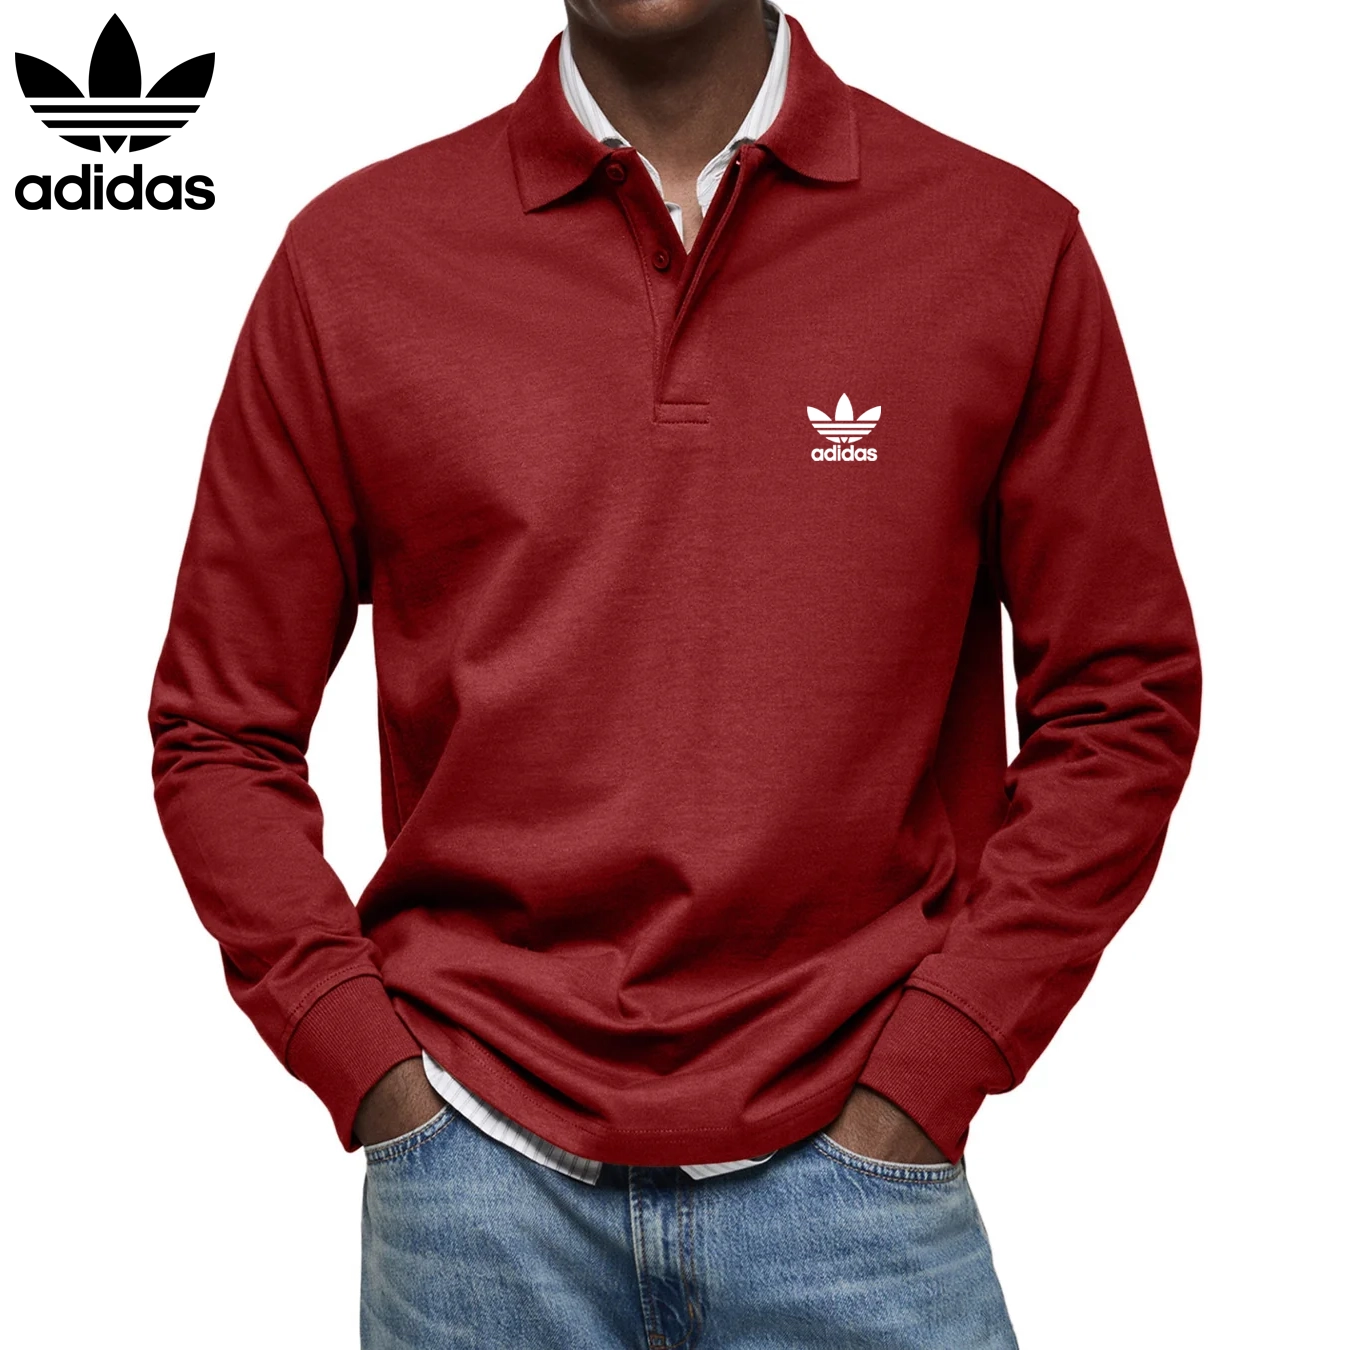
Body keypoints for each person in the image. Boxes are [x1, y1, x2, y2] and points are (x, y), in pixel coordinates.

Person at [147, 1, 1202, 1344]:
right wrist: (363, 1062)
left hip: (859, 1172)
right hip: (475, 1177)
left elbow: (1120, 697)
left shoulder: (999, 242)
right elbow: (219, 728)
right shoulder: (355, 260)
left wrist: (942, 1056)